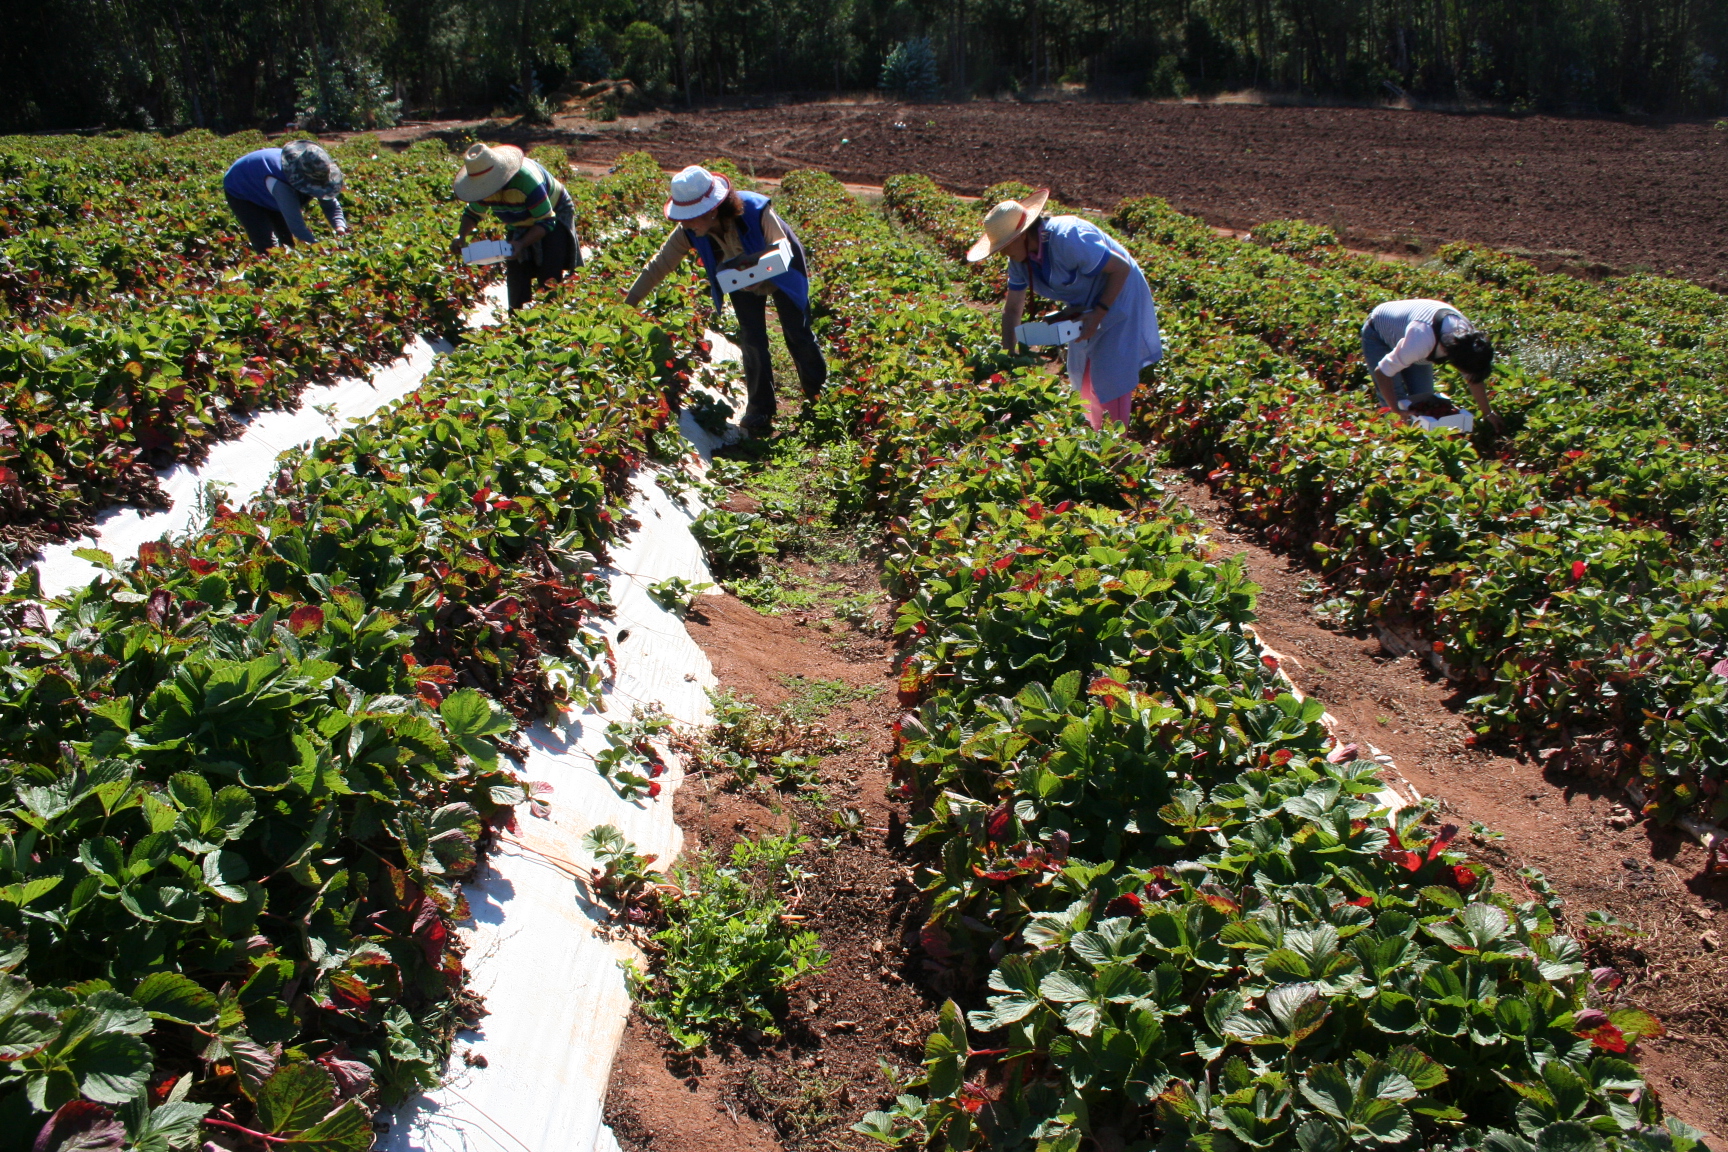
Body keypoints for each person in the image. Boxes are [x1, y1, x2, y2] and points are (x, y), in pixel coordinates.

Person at [624, 165, 826, 435]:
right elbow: (660, 264)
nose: (685, 223)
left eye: (690, 217)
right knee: (752, 338)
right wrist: (629, 303)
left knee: (796, 330)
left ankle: (818, 396)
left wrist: (761, 269)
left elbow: (781, 246)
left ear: (712, 210)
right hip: (741, 278)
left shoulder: (755, 209)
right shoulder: (689, 232)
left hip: (783, 268)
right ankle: (760, 409)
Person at [969, 190, 1161, 430]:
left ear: (1023, 235)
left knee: (1112, 374)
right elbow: (1012, 310)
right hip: (1086, 304)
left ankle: (1114, 447)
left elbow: (1120, 268)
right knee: (1083, 370)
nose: (1003, 253)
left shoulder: (1069, 237)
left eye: (1005, 245)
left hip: (1120, 296)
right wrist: (1009, 357)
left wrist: (1099, 313)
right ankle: (1091, 435)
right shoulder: (1019, 261)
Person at [448, 143, 583, 311]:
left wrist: (521, 243)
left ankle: (552, 317)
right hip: (518, 219)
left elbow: (546, 221)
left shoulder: (526, 181)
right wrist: (461, 236)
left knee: (549, 273)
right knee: (517, 273)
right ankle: (519, 324)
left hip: (553, 210)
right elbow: (473, 214)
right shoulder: (482, 188)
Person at [1363, 299, 1502, 431]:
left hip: (1414, 339)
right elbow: (1382, 372)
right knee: (1398, 405)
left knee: (1424, 397)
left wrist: (1487, 412)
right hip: (1379, 333)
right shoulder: (1421, 340)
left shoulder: (1469, 342)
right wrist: (1396, 410)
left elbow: (1473, 378)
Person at [222, 141, 347, 253]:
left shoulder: (316, 170)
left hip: (267, 185)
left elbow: (330, 204)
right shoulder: (282, 186)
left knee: (288, 240)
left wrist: (340, 227)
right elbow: (297, 228)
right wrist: (320, 251)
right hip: (242, 188)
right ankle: (270, 274)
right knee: (267, 245)